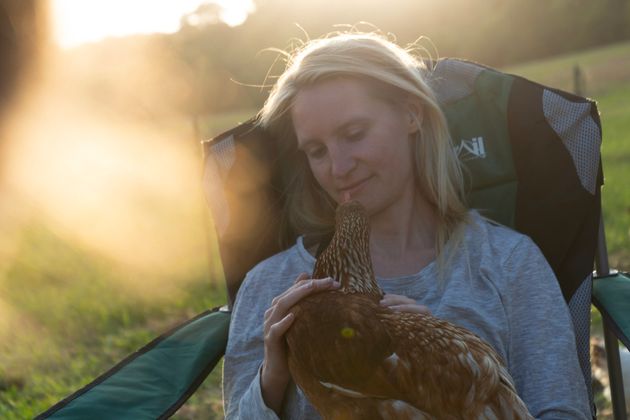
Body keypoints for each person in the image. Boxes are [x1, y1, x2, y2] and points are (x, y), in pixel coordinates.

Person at [222, 31, 591, 419]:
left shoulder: (506, 263)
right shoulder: (272, 287)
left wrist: (447, 357)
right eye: (317, 151)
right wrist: (274, 376)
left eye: (354, 134)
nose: (339, 168)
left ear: (411, 114)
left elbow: (562, 410)